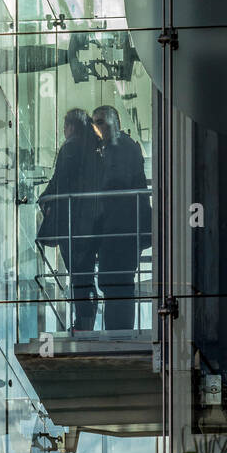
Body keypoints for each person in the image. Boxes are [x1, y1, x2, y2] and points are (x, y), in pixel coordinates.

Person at [37, 109, 100, 331]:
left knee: (78, 274)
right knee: (85, 274)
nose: (64, 132)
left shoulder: (71, 147)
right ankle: (86, 320)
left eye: (65, 127)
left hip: (72, 222)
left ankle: (83, 322)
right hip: (90, 223)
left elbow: (60, 180)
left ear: (71, 127)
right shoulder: (94, 148)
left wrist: (45, 198)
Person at [91, 105, 152, 331]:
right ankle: (117, 332)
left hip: (120, 228)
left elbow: (115, 183)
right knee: (115, 282)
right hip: (120, 227)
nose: (96, 128)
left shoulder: (120, 147)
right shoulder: (119, 147)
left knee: (117, 282)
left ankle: (118, 333)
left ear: (112, 123)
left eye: (100, 122)